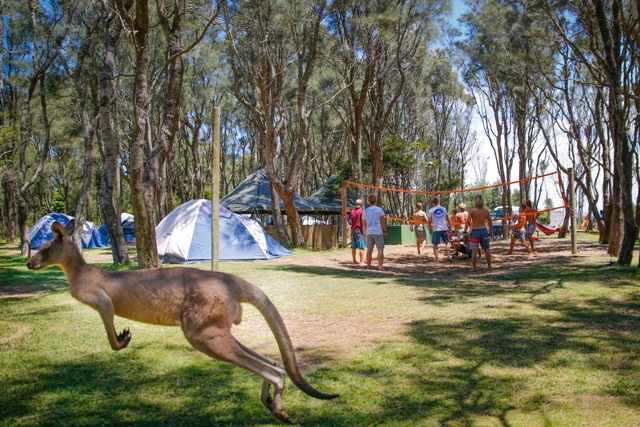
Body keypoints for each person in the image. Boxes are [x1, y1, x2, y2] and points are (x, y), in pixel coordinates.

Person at [464, 194, 493, 270]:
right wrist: (490, 231)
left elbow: (467, 221)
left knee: (474, 250)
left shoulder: (472, 210)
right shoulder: (486, 211)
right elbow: (490, 222)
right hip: (483, 231)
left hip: (475, 232)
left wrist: (465, 231)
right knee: (486, 249)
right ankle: (489, 266)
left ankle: (474, 268)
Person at [363, 194, 387, 271]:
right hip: (378, 232)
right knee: (380, 249)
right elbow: (382, 221)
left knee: (369, 250)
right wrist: (385, 230)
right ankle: (380, 266)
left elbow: (364, 223)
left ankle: (368, 266)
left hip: (369, 232)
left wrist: (366, 231)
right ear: (376, 200)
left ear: (369, 201)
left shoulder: (366, 211)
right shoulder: (379, 210)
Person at [427, 196, 452, 263]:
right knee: (447, 242)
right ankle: (448, 256)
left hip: (436, 229)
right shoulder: (443, 209)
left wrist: (429, 228)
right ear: (438, 202)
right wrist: (450, 226)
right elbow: (448, 219)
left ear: (432, 203)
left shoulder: (431, 210)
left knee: (435, 244)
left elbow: (429, 221)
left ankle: (437, 260)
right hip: (444, 228)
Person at [350, 199, 365, 265]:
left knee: (353, 247)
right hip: (358, 230)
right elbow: (363, 221)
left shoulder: (352, 211)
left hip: (352, 230)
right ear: (361, 204)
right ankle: (361, 261)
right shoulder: (362, 212)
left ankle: (354, 261)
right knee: (361, 247)